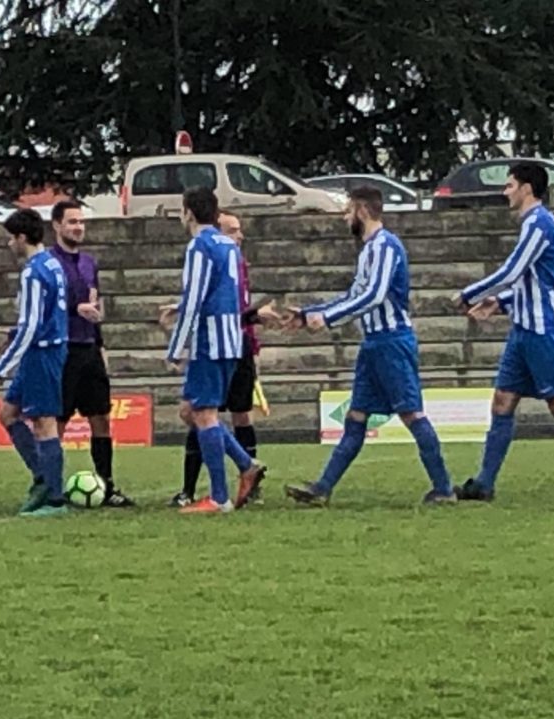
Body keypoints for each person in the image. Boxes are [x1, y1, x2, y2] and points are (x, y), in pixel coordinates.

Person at [284, 186, 453, 506]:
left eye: (348, 211)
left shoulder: (385, 246)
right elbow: (353, 296)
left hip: (391, 343)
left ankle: (443, 487)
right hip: (374, 344)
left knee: (411, 413)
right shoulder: (368, 251)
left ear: (362, 211)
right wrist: (309, 315)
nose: (346, 218)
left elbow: (373, 295)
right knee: (356, 416)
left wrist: (329, 318)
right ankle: (322, 487)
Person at [453, 162, 554, 501]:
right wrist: (499, 303)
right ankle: (484, 484)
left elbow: (513, 270)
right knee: (502, 401)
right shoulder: (531, 224)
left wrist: (470, 294)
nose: (505, 192)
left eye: (509, 185)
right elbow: (526, 281)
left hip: (543, 330)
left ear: (526, 188)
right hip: (523, 330)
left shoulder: (539, 223)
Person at [164, 188, 265, 515]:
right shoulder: (228, 246)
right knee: (193, 411)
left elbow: (195, 297)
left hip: (210, 340)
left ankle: (219, 497)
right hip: (232, 339)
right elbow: (224, 293)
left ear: (188, 213)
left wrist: (176, 346)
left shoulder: (200, 246)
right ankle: (246, 464)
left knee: (204, 414)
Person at [48, 200, 134, 507]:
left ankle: (107, 485)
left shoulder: (88, 263)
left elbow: (94, 308)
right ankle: (50, 487)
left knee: (100, 418)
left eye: (81, 222)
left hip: (89, 349)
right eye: (72, 222)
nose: (78, 227)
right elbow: (46, 305)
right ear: (56, 225)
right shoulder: (48, 263)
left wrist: (101, 345)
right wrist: (74, 308)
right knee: (58, 420)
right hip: (63, 349)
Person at [0, 208, 70, 517]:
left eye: (11, 238)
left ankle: (54, 498)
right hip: (44, 349)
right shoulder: (52, 262)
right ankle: (42, 476)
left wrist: (3, 365)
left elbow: (32, 325)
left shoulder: (34, 271)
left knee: (44, 422)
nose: (10, 245)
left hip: (43, 352)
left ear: (22, 237)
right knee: (8, 415)